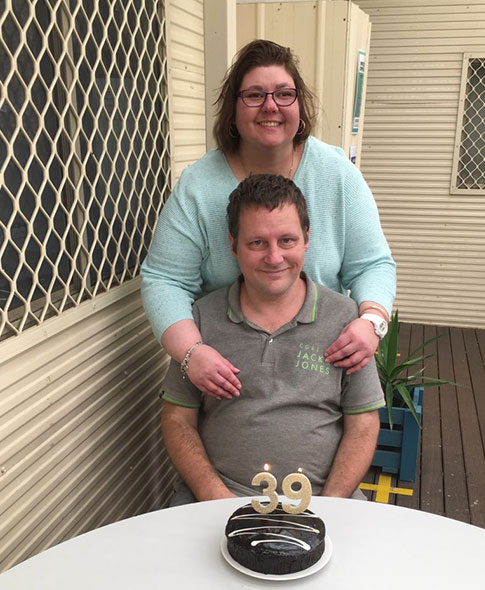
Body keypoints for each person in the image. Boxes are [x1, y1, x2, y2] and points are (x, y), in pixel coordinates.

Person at [141, 39, 395, 400]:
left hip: (321, 364)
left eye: (284, 94)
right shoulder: (198, 187)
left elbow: (372, 263)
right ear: (233, 108)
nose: (270, 106)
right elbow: (164, 279)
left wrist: (372, 321)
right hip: (229, 372)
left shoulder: (338, 175)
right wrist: (190, 353)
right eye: (255, 95)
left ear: (300, 105)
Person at [160, 174, 384, 503]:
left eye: (287, 241)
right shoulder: (199, 321)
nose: (275, 257)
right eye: (257, 243)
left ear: (307, 238)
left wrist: (333, 502)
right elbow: (177, 418)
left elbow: (364, 423)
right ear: (233, 245)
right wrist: (213, 495)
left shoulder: (345, 320)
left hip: (325, 499)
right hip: (215, 499)